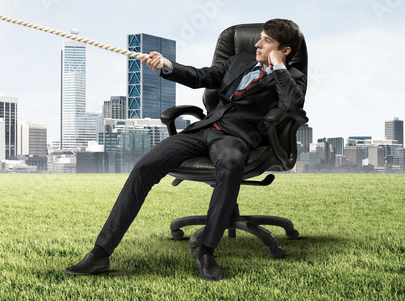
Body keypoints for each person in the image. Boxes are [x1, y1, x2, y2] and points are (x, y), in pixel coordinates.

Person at [66, 19, 306, 281]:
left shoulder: (292, 77)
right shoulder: (240, 60)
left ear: (284, 50)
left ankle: (206, 251)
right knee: (144, 168)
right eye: (259, 38)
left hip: (237, 138)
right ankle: (100, 253)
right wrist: (168, 65)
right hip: (203, 129)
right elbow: (203, 76)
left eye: (267, 41)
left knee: (230, 164)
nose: (258, 44)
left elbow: (291, 104)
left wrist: (279, 66)